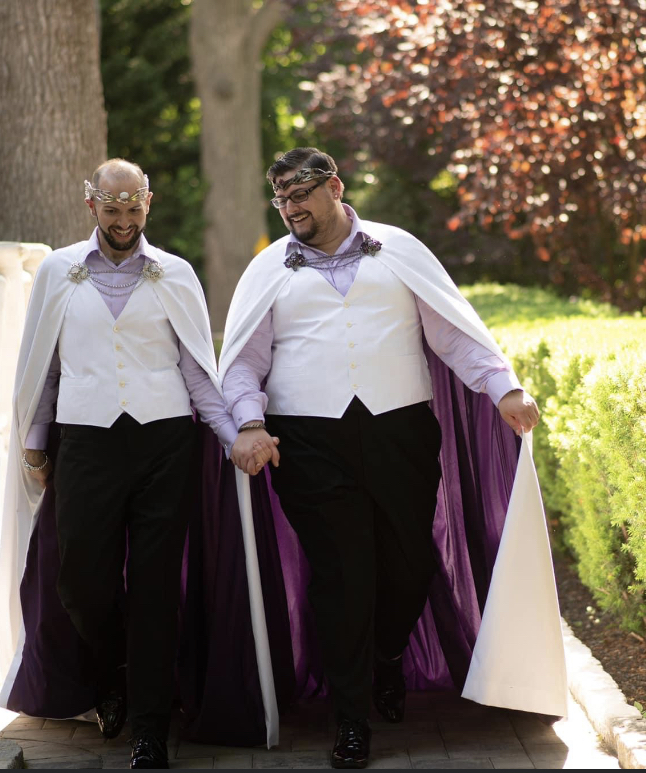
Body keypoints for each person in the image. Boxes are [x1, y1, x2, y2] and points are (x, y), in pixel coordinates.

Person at [219, 148, 566, 769]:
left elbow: (453, 331)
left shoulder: (399, 249)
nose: (291, 208)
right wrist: (248, 421)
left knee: (410, 565)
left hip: (401, 432)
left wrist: (504, 388)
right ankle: (352, 720)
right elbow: (244, 360)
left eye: (300, 195)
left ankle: (386, 656)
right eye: (281, 199)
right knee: (342, 574)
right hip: (308, 440)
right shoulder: (267, 269)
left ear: (334, 188)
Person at [0, 159, 267, 769]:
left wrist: (232, 437)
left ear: (149, 203)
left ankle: (149, 727)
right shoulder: (59, 271)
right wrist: (35, 446)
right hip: (85, 443)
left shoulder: (176, 273)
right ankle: (113, 670)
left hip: (164, 445)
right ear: (92, 204)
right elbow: (44, 366)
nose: (123, 220)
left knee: (154, 586)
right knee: (80, 583)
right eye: (112, 209)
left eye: (133, 208)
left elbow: (197, 369)